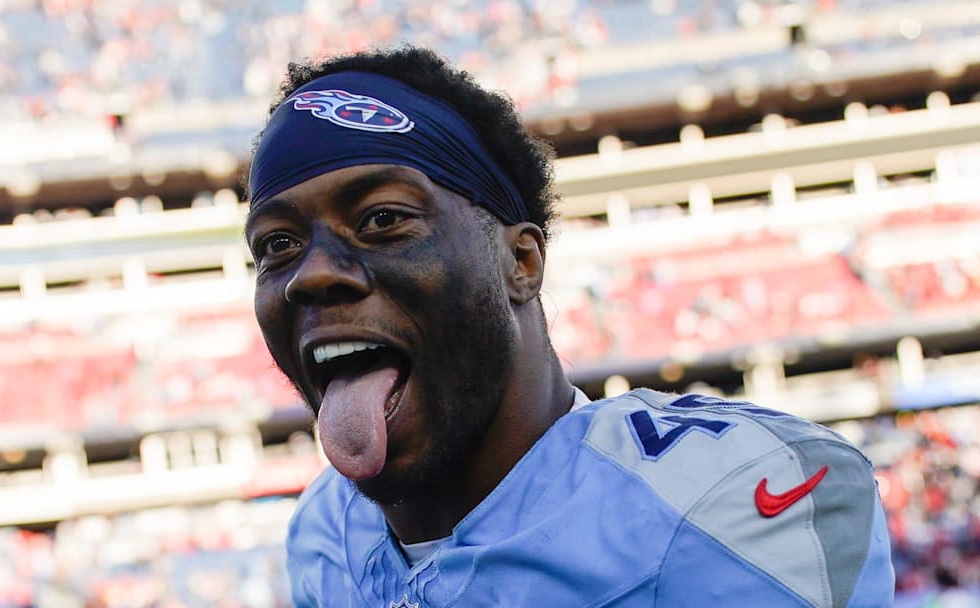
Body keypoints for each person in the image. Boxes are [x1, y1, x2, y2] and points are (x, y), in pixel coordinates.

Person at [244, 46, 894, 607]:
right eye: (276, 245)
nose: (310, 274)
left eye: (383, 219)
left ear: (520, 262)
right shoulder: (324, 534)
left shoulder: (725, 504)